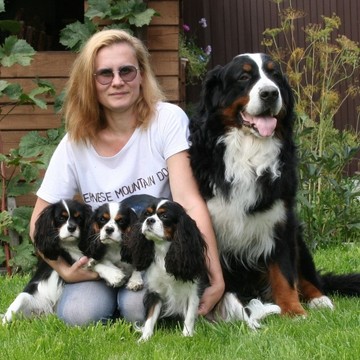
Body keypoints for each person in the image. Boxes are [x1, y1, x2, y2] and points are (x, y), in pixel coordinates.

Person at [29, 29, 225, 325]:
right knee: (78, 315)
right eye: (104, 74)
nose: (118, 81)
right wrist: (65, 270)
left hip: (148, 258)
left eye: (127, 71)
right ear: (89, 83)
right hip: (102, 259)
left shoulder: (167, 120)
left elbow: (189, 202)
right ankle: (107, 298)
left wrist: (216, 277)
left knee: (137, 307)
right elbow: (37, 222)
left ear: (142, 75)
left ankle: (126, 304)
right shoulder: (74, 143)